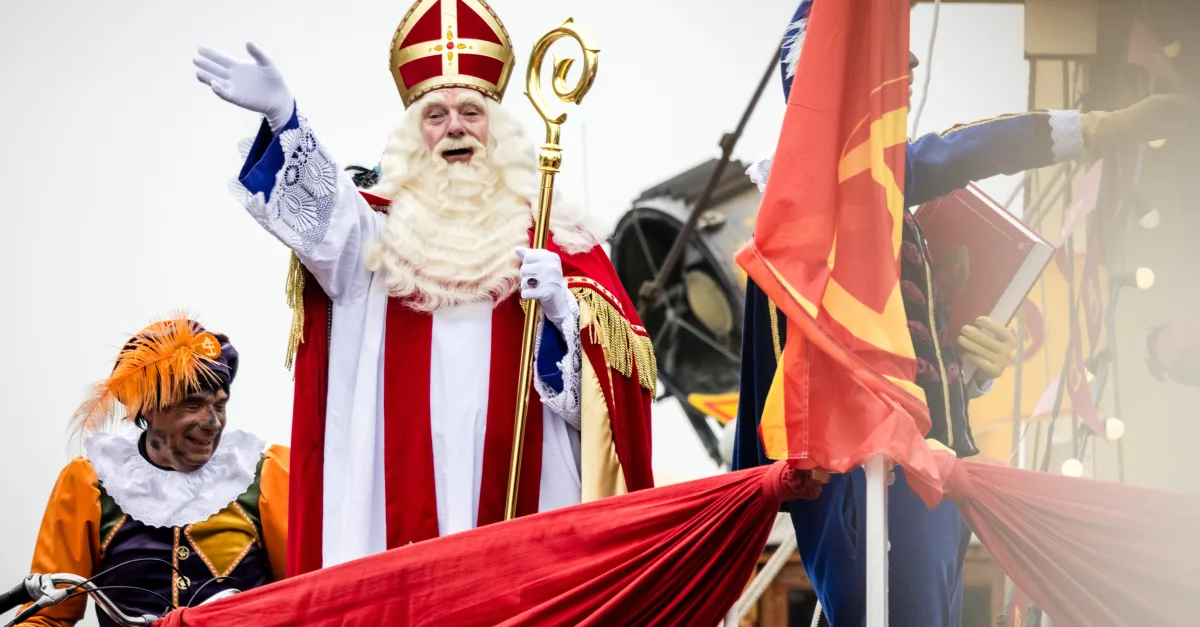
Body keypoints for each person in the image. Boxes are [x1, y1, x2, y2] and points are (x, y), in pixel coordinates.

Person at [733, 2, 1200, 625]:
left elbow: (909, 355)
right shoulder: (807, 211)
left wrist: (972, 369)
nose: (912, 65)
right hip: (858, 479)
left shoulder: (882, 206)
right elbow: (955, 154)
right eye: (887, 58)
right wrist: (1093, 128)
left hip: (936, 472)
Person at [192, 0, 655, 575]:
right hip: (395, 519)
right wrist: (285, 117)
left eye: (470, 110)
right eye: (434, 114)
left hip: (534, 514)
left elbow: (615, 413)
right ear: (413, 135)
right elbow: (319, 218)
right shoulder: (373, 237)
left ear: (500, 128)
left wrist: (564, 310)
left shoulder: (561, 242)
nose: (455, 126)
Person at [21, 317, 288, 626]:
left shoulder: (265, 474)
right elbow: (47, 617)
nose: (212, 423)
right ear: (147, 407)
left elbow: (313, 592)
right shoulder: (91, 483)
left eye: (219, 405)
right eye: (193, 405)